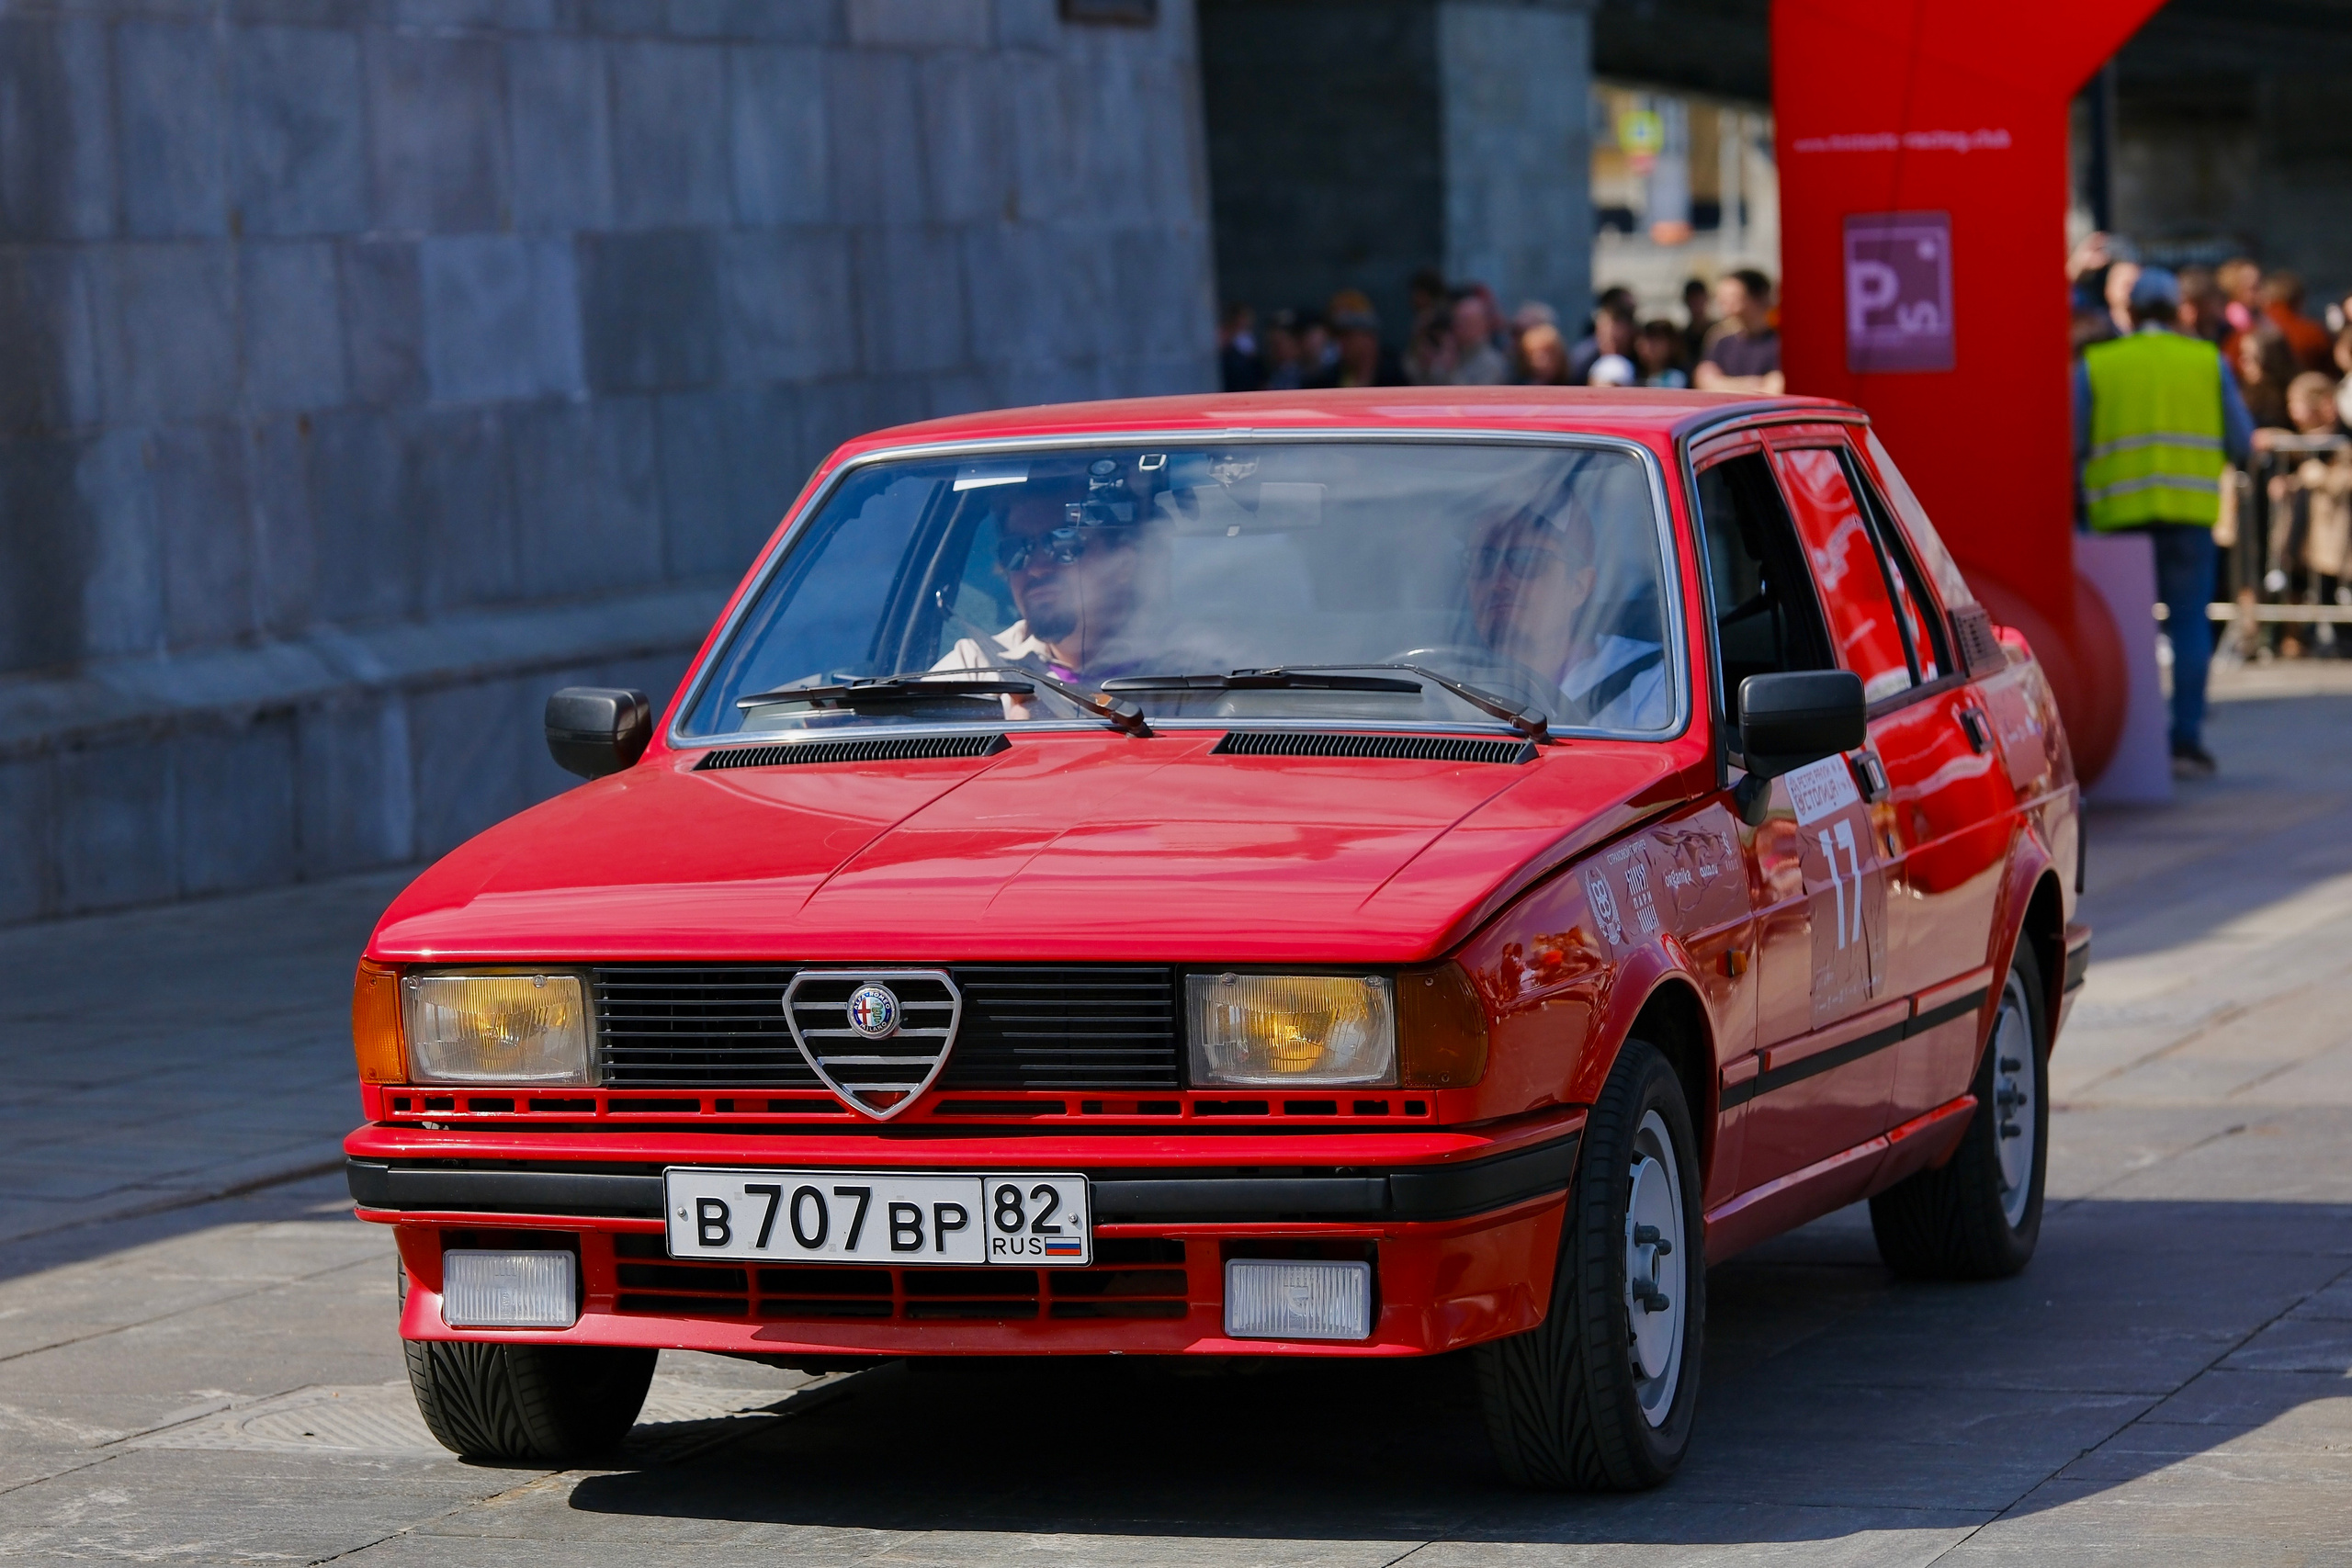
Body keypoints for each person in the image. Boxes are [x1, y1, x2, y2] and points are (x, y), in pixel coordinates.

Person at [2075, 266, 2256, 777]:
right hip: (2189, 514)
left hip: (2117, 521)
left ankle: (2132, 744)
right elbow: (2243, 441)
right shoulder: (2207, 361)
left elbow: (2071, 441)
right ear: (2179, 311)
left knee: (2125, 634)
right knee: (2189, 628)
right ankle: (2185, 742)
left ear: (2128, 312)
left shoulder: (2098, 364)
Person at [1464, 500, 1667, 729]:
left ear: (1579, 587)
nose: (1499, 581)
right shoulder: (1437, 678)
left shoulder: (1652, 685)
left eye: (1527, 561)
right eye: (1484, 560)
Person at [935, 479, 1152, 686]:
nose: (1037, 569)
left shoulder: (1176, 669)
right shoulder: (975, 668)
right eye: (1018, 549)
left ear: (1122, 564)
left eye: (1063, 542)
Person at [1693, 269, 1783, 392]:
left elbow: (1775, 387)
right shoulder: (1722, 340)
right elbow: (1704, 380)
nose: (1723, 301)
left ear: (1757, 297)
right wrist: (1752, 384)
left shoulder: (1779, 342)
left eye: (1732, 295)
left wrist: (1723, 385)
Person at [1313, 295, 1407, 388]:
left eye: (1348, 336)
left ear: (1369, 337)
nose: (1341, 343)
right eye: (1338, 336)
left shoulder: (1395, 374)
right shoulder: (1329, 379)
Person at [1430, 290, 1511, 386]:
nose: (1457, 326)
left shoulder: (1493, 364)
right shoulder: (1453, 352)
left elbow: (1474, 398)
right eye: (1456, 321)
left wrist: (1451, 369)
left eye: (1465, 322)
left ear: (1481, 325)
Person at [2236, 329, 2298, 430]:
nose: (2243, 362)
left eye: (2251, 357)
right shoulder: (2243, 397)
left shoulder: (2293, 396)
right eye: (2242, 355)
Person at [1569, 304, 1634, 386]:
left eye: (1617, 338)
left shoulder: (1641, 357)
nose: (1612, 342)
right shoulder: (1581, 362)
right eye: (1605, 333)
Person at [1217, 303, 1264, 393]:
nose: (1246, 320)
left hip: (1248, 380)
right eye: (1243, 317)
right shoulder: (1224, 335)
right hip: (1230, 378)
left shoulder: (1248, 338)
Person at [1634, 320, 1690, 388]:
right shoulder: (1630, 373)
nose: (1651, 345)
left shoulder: (1676, 378)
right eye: (1648, 337)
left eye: (1658, 338)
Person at [1518, 322, 1571, 386]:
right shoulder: (1519, 387)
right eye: (1535, 354)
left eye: (1548, 353)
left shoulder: (1573, 385)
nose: (1543, 360)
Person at [1680, 277, 1713, 367]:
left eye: (1699, 298)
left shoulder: (1718, 332)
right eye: (1692, 299)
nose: (1696, 303)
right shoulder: (1682, 337)